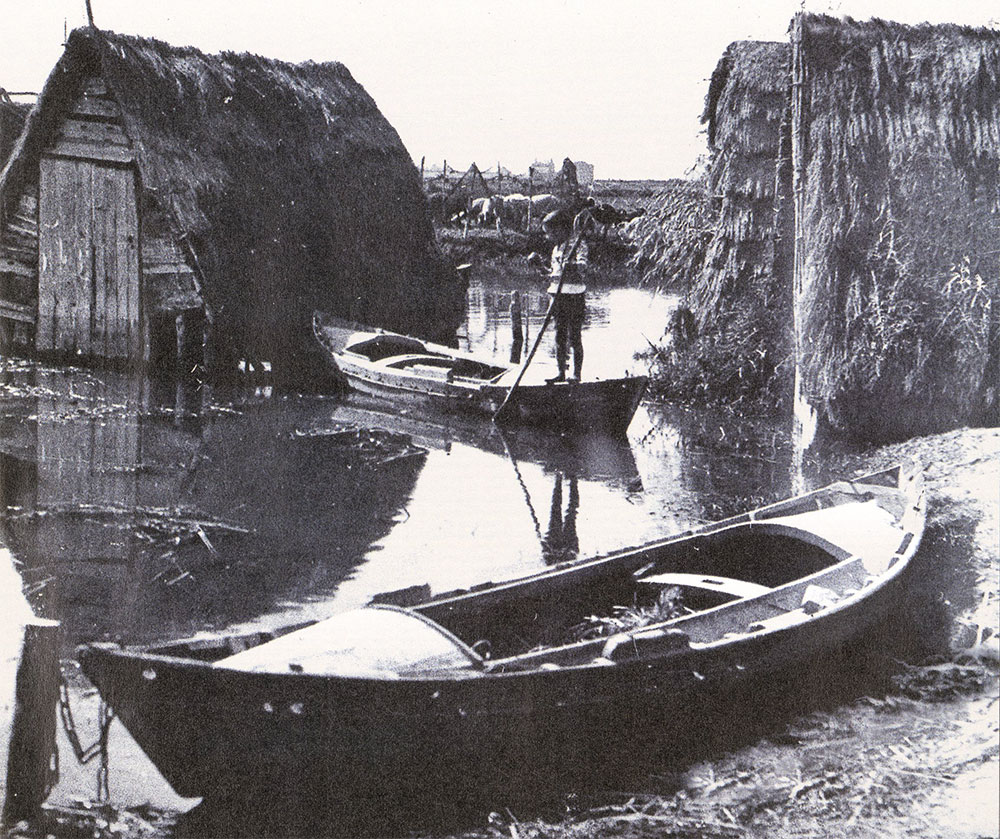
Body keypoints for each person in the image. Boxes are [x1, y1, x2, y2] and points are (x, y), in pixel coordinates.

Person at [542, 208, 590, 382]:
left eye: (550, 233)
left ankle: (576, 374)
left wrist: (574, 265)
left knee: (574, 336)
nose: (549, 237)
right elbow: (554, 274)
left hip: (574, 295)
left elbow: (583, 266)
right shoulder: (557, 248)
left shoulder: (578, 244)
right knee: (559, 335)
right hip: (557, 296)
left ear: (561, 229)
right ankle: (561, 372)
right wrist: (541, 268)